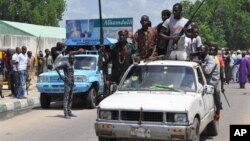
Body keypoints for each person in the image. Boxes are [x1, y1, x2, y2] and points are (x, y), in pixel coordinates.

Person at [55, 49, 84, 119]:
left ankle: (69, 111)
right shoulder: (66, 63)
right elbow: (56, 68)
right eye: (72, 58)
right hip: (67, 82)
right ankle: (65, 113)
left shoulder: (72, 64)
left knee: (71, 98)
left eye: (74, 58)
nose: (73, 59)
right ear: (69, 58)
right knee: (66, 98)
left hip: (72, 82)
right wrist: (62, 77)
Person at [199, 44, 222, 120]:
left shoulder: (211, 59)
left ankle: (218, 111)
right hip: (203, 81)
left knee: (217, 94)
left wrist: (200, 63)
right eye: (199, 50)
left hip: (212, 81)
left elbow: (207, 71)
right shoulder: (200, 58)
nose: (200, 51)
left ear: (207, 51)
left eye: (202, 50)